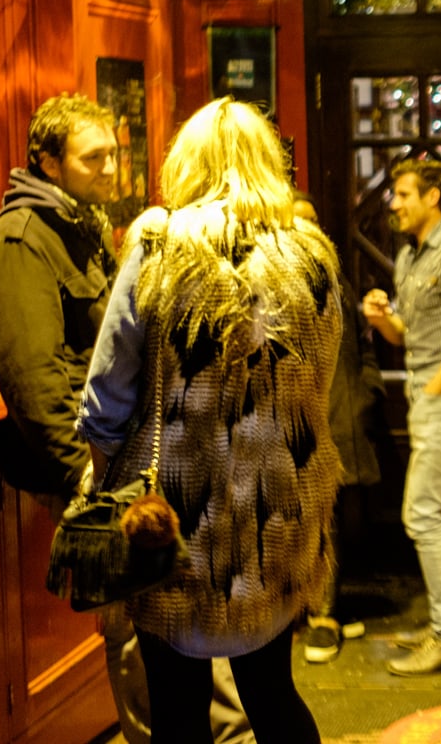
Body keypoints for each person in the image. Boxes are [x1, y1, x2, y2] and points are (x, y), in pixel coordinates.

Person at [0, 94, 252, 744]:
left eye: (114, 153)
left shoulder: (83, 224)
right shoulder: (18, 243)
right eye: (93, 157)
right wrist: (87, 485)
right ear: (48, 161)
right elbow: (35, 382)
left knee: (177, 612)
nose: (110, 168)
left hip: (137, 458)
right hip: (99, 473)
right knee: (137, 627)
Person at [78, 98, 343, 742]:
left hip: (173, 514)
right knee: (272, 692)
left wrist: (104, 476)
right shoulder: (311, 255)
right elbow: (321, 381)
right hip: (275, 516)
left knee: (175, 705)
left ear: (186, 163)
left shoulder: (157, 245)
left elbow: (107, 393)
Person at [362, 157, 441, 676]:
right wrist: (383, 318)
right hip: (430, 397)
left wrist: (436, 392)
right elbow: (408, 334)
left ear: (432, 197)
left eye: (403, 194)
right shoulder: (410, 255)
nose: (394, 203)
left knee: (420, 513)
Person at [291, 190, 387, 664]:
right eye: (295, 222)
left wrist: (370, 390)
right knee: (315, 519)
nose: (305, 231)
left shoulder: (332, 276)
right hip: (302, 418)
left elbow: (359, 346)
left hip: (343, 411)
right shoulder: (278, 281)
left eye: (311, 222)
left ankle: (328, 606)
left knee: (339, 516)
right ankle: (319, 615)